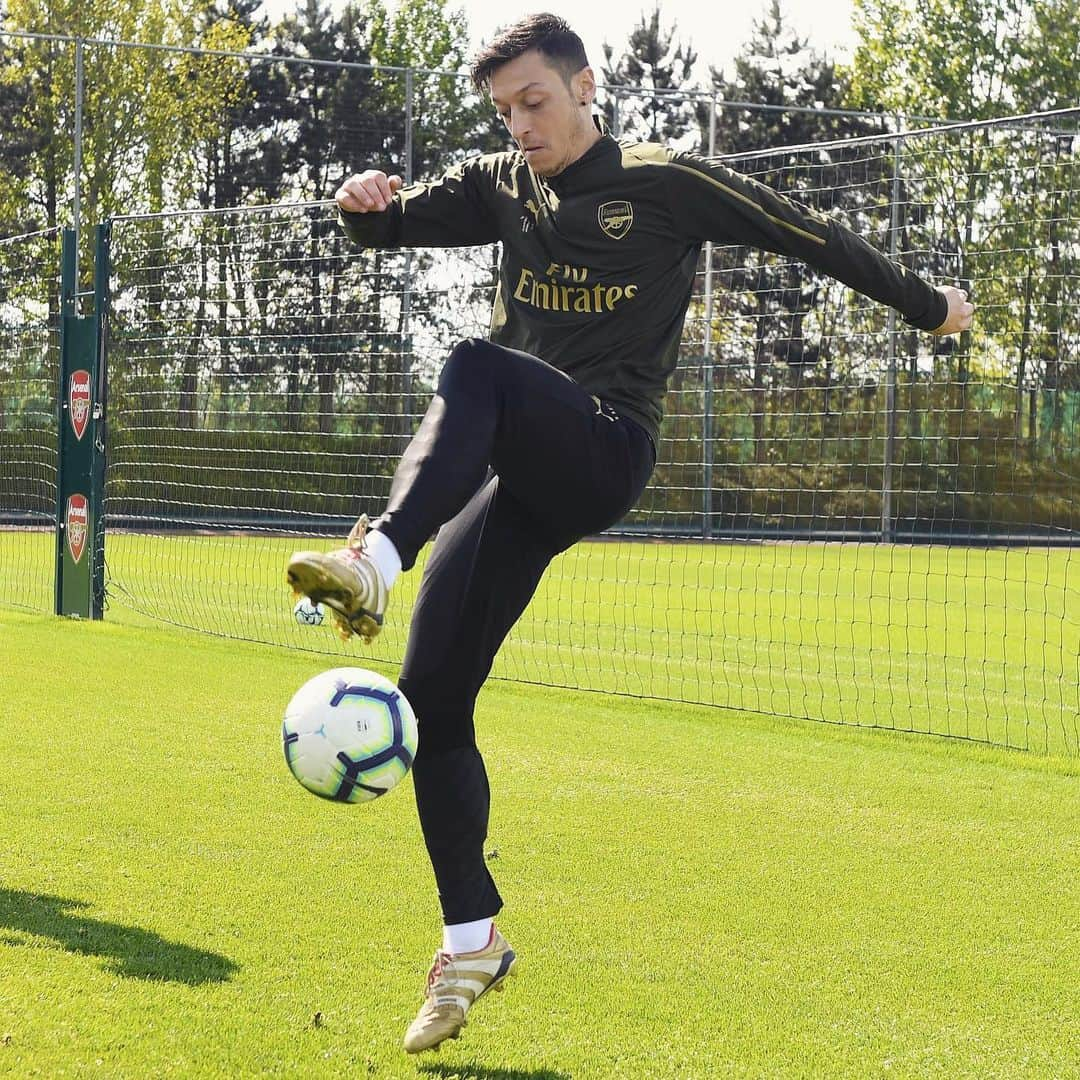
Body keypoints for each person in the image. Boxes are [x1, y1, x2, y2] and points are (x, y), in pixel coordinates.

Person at [286, 12, 974, 1055]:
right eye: (503, 112)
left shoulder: (665, 183)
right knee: (430, 698)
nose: (521, 127)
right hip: (523, 472)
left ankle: (375, 558)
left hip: (606, 448)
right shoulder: (496, 187)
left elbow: (812, 234)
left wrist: (931, 309)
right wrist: (362, 207)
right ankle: (471, 941)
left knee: (474, 366)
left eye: (536, 104)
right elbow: (391, 232)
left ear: (584, 86)